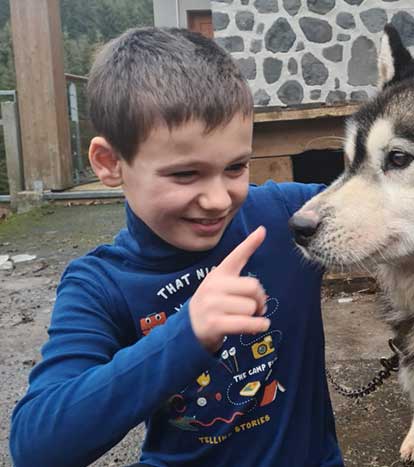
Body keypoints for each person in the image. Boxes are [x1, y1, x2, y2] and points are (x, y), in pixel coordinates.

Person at [9, 27, 343, 467]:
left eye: (236, 167)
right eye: (185, 174)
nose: (218, 200)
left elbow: (390, 204)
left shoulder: (286, 214)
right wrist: (186, 334)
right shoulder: (100, 285)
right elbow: (37, 446)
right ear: (110, 163)